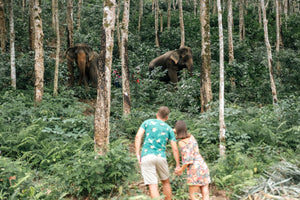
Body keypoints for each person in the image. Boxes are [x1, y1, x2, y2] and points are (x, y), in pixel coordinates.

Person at [135, 106, 180, 200]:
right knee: (166, 182)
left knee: (153, 185)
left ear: (157, 114)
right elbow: (175, 148)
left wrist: (138, 154)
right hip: (161, 157)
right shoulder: (168, 129)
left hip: (147, 156)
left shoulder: (147, 122)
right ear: (167, 118)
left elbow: (138, 137)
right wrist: (178, 165)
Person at [174, 120, 210, 200]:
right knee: (205, 191)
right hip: (202, 165)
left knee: (193, 195)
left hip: (194, 168)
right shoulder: (191, 136)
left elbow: (188, 160)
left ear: (177, 130)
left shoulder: (182, 142)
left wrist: (181, 170)